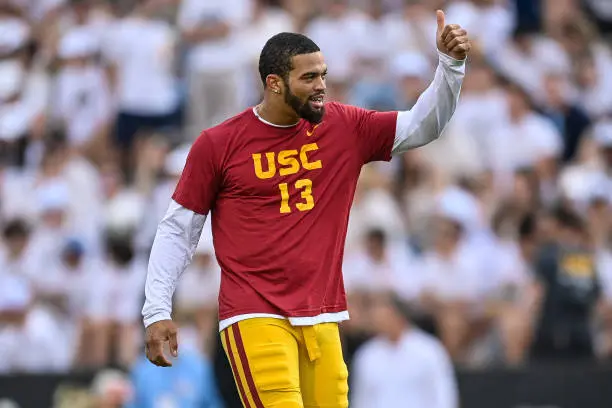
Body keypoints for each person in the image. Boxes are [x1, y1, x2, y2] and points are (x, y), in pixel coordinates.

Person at [142, 10, 470, 408]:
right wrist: (157, 309)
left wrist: (450, 66)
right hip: (253, 313)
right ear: (274, 84)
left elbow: (424, 124)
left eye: (323, 75)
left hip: (323, 314)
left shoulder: (344, 126)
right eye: (309, 78)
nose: (321, 87)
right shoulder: (219, 144)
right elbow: (179, 229)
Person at [350, 291, 458, 408]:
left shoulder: (429, 350)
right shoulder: (367, 355)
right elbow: (361, 399)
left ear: (398, 315)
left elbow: (443, 395)